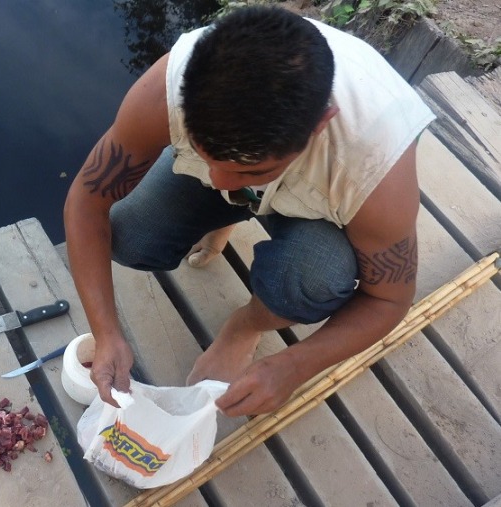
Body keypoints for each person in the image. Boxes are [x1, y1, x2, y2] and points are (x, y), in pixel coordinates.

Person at [63, 5, 434, 417]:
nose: (220, 181)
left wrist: (294, 366)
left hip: (321, 209)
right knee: (131, 234)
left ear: (319, 125)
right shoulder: (166, 89)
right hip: (274, 172)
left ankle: (245, 326)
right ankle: (233, 210)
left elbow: (389, 300)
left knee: (313, 281)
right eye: (206, 156)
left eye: (252, 169)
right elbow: (86, 201)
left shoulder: (376, 169)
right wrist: (106, 330)